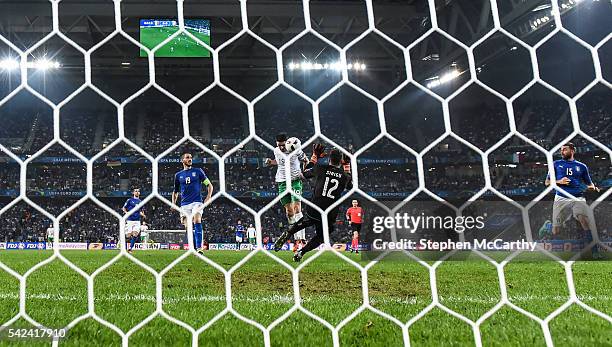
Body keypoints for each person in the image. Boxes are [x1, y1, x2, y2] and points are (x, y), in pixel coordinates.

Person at [274, 145, 352, 262]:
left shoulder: (321, 168)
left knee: (307, 220)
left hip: (316, 204)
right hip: (330, 211)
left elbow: (303, 174)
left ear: (329, 159)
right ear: (341, 161)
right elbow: (350, 186)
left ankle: (288, 232)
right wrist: (347, 165)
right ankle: (301, 252)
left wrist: (315, 157)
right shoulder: (344, 176)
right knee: (322, 236)